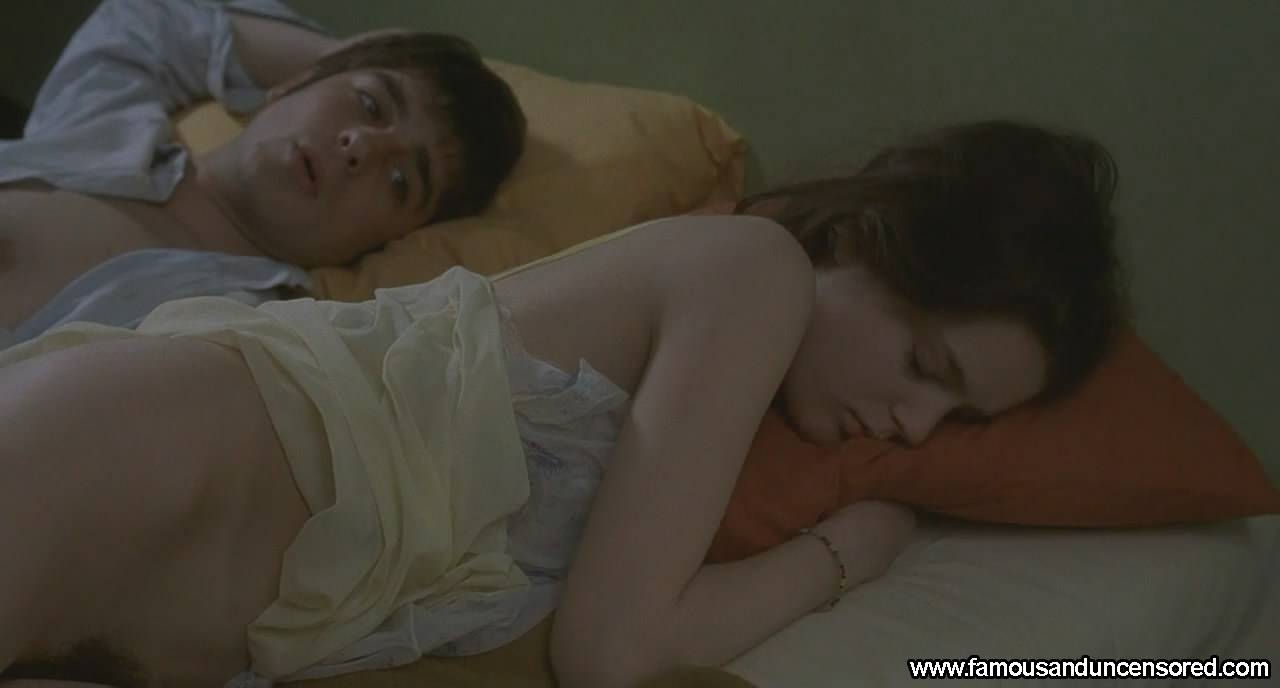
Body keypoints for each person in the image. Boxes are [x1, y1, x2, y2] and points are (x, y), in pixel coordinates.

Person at [0, 119, 1126, 687]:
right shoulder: (756, 274)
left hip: (162, 581)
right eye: (927, 365)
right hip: (152, 453)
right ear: (869, 243)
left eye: (956, 423)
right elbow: (612, 649)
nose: (914, 429)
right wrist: (847, 553)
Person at [0, 0, 526, 348]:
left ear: (388, 241)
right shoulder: (101, 126)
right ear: (296, 81)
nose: (363, 146)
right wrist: (333, 55)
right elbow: (147, 19)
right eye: (369, 103)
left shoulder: (233, 334)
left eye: (400, 182)